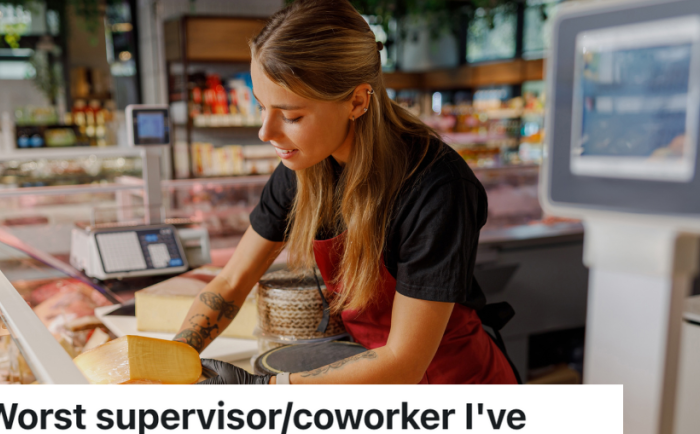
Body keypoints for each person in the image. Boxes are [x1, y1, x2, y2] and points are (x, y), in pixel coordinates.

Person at [174, 0, 518, 385]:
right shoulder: (305, 165)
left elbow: (405, 363)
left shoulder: (437, 188)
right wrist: (174, 358)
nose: (265, 132)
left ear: (356, 101)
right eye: (261, 107)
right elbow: (232, 280)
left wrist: (264, 389)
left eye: (291, 115)